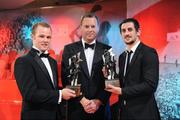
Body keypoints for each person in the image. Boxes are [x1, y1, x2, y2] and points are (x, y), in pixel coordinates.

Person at [14, 22, 76, 120]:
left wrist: (68, 90)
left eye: (48, 37)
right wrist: (60, 94)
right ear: (32, 36)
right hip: (36, 116)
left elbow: (51, 88)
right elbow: (30, 94)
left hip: (55, 115)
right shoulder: (23, 61)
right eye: (41, 36)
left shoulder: (53, 62)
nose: (45, 40)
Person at [105, 18, 161, 120]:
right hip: (125, 113)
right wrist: (110, 75)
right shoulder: (122, 56)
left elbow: (150, 85)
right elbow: (125, 82)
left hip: (143, 114)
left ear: (138, 32)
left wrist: (122, 91)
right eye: (123, 31)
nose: (126, 33)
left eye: (130, 29)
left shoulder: (148, 53)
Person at [61, 13, 111, 120]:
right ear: (80, 28)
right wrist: (82, 100)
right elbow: (67, 78)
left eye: (93, 26)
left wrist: (98, 101)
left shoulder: (107, 50)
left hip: (100, 110)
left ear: (98, 28)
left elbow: (111, 80)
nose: (90, 29)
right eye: (86, 26)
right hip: (76, 109)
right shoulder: (69, 49)